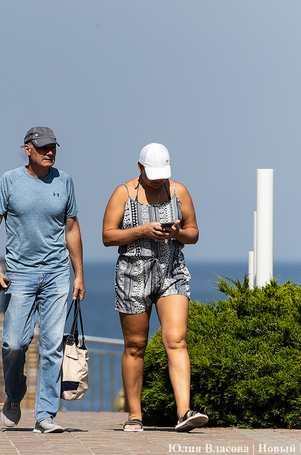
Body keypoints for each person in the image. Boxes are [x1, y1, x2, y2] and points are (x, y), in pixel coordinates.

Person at [0, 126, 85, 434]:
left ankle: (44, 415)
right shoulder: (9, 181)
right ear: (27, 149)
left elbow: (72, 229)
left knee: (52, 345)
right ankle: (14, 395)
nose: (49, 152)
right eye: (42, 147)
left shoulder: (64, 181)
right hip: (20, 274)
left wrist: (78, 273)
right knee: (14, 343)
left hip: (57, 274)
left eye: (53, 147)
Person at [101, 143, 208, 432]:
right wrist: (142, 230)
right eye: (152, 173)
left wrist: (178, 233)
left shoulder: (179, 191)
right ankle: (134, 415)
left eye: (163, 173)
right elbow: (108, 236)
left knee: (176, 340)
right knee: (135, 346)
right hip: (133, 274)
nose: (158, 179)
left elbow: (194, 233)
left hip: (171, 271)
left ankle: (184, 411)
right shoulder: (123, 194)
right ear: (139, 168)